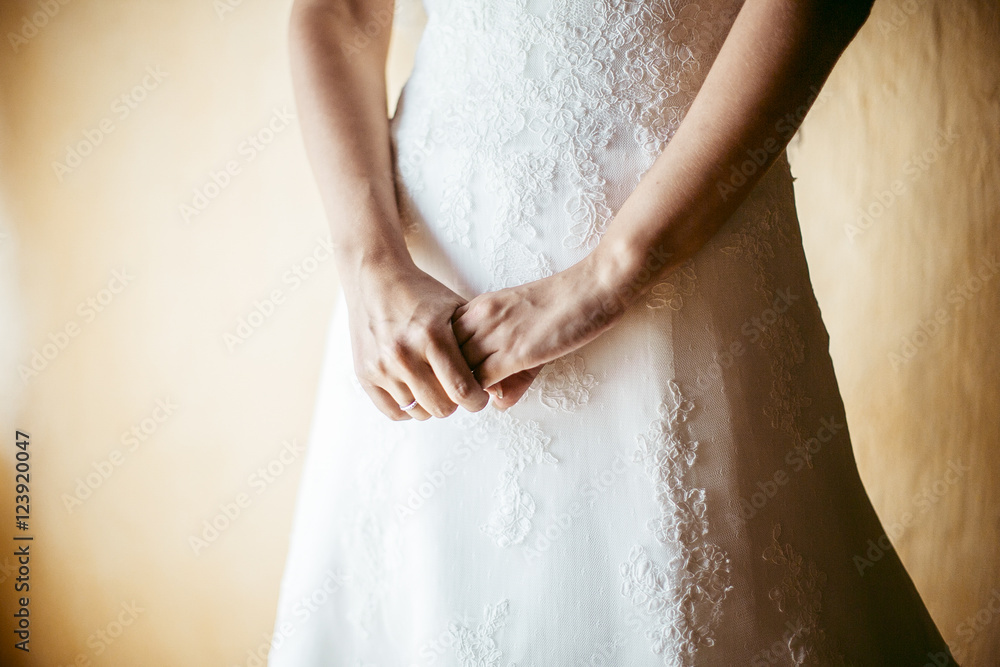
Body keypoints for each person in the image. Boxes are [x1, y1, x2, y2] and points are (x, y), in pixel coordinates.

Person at [269, 0, 957, 664]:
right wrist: (371, 266)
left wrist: (611, 273)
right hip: (422, 279)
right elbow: (340, 10)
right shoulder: (385, 273)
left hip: (688, 235)